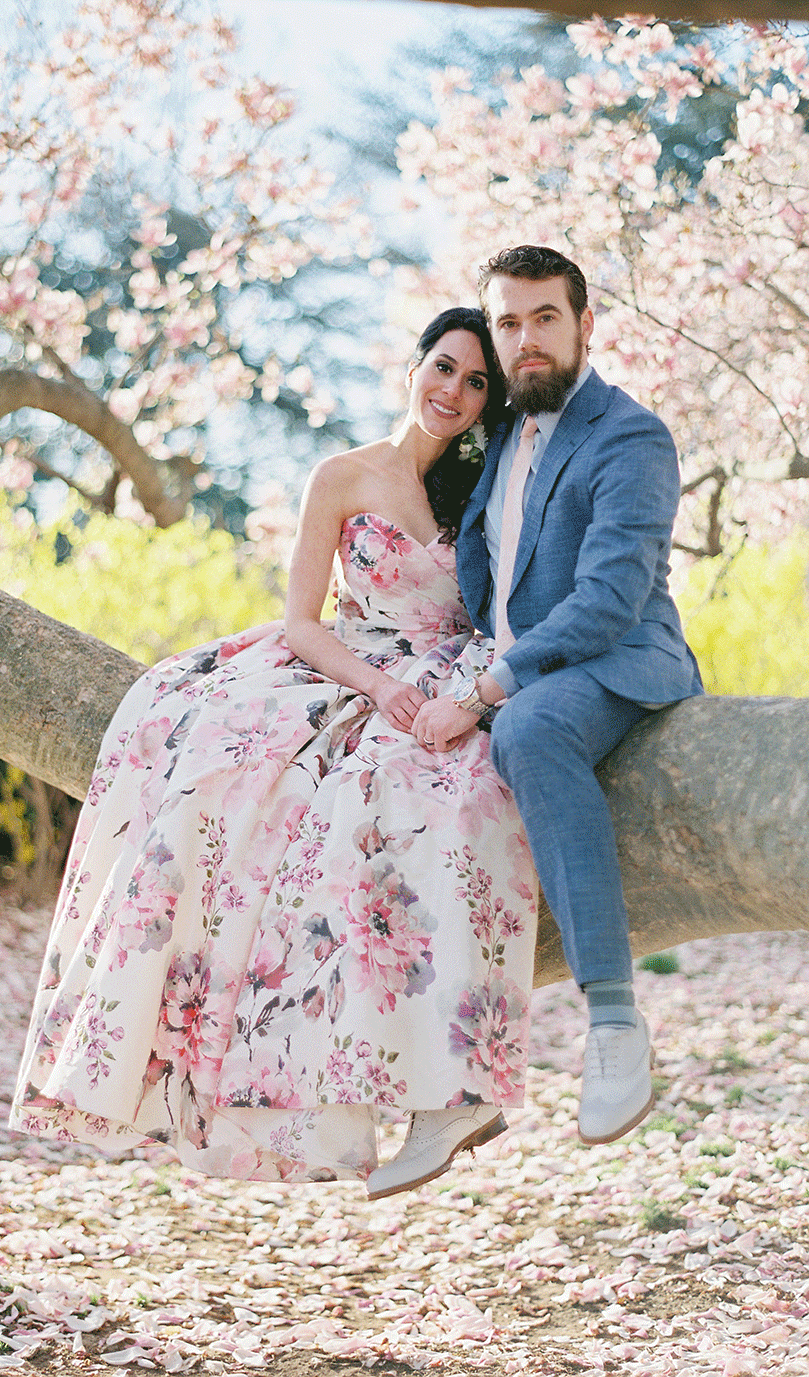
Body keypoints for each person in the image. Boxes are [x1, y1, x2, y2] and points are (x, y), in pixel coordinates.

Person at [10, 307, 538, 1194]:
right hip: (351, 664)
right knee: (237, 796)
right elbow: (302, 622)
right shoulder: (340, 476)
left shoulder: (481, 491)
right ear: (412, 368)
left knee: (423, 802)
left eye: (477, 381)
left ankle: (442, 1086)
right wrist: (379, 689)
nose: (454, 391)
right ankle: (236, 1075)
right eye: (443, 368)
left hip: (449, 674)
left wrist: (453, 693)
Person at [412, 245, 703, 1148]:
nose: (526, 339)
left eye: (545, 317)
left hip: (615, 663)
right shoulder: (499, 433)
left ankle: (614, 1026)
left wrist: (491, 687)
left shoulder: (630, 436)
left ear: (585, 324)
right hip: (503, 665)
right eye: (508, 322)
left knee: (529, 730)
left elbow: (609, 598)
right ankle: (445, 1081)